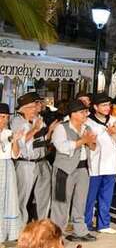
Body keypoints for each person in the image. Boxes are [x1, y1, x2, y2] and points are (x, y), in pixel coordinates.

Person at [50, 99, 97, 243]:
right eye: (82, 112)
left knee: (80, 201)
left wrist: (90, 142)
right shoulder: (61, 128)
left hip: (83, 168)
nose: (85, 114)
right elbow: (62, 147)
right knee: (61, 203)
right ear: (73, 114)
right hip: (64, 169)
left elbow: (94, 147)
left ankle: (80, 231)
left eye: (85, 112)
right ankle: (56, 235)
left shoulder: (87, 128)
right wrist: (83, 141)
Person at [84, 94, 116, 235]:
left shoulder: (113, 120)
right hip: (94, 165)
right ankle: (86, 223)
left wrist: (114, 134)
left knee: (106, 196)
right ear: (95, 107)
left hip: (110, 164)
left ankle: (103, 224)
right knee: (90, 197)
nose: (107, 108)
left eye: (108, 105)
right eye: (104, 105)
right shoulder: (88, 122)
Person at [12, 92, 53, 223]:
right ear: (23, 108)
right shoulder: (17, 121)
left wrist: (50, 131)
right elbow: (20, 142)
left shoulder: (38, 119)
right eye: (32, 107)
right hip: (26, 163)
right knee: (22, 196)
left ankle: (42, 224)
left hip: (42, 161)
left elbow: (41, 140)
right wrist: (34, 129)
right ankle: (20, 226)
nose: (35, 109)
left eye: (36, 106)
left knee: (44, 196)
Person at [0, 103, 22, 243]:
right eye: (1, 116)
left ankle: (4, 236)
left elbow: (15, 155)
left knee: (8, 200)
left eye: (6, 117)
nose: (4, 120)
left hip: (8, 167)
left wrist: (15, 141)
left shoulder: (9, 132)